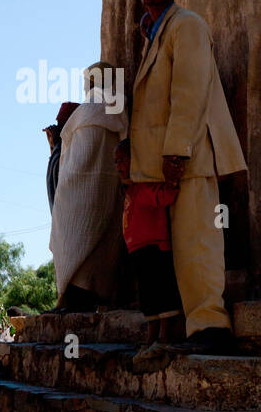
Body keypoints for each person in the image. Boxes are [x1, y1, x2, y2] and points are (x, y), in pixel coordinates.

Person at [130, 0, 247, 353]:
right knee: (183, 246)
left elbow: (190, 92)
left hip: (192, 156)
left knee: (199, 241)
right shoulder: (155, 33)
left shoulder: (188, 26)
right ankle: (197, 326)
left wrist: (176, 152)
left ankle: (211, 327)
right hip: (168, 163)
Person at [49, 66, 128, 312]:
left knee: (79, 241)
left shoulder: (91, 110)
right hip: (104, 190)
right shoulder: (117, 108)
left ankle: (76, 297)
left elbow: (81, 161)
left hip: (82, 192)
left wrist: (65, 190)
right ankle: (83, 295)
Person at [115, 140, 184, 361]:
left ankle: (163, 336)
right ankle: (151, 336)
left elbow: (163, 196)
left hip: (154, 246)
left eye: (122, 160)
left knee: (160, 289)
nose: (119, 166)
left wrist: (172, 183)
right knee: (147, 295)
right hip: (137, 250)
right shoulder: (130, 190)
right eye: (116, 162)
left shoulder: (142, 187)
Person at [44, 101, 80, 211]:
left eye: (62, 124)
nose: (58, 128)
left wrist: (56, 145)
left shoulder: (72, 152)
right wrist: (55, 145)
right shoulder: (60, 153)